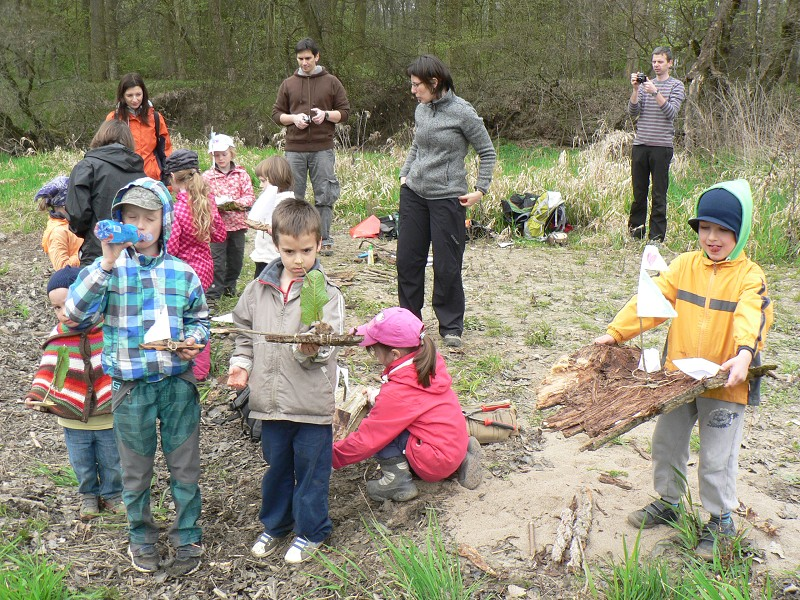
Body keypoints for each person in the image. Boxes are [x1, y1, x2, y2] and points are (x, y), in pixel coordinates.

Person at [594, 179, 772, 560]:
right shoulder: (684, 266)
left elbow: (751, 317)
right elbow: (650, 301)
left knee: (716, 457)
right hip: (678, 378)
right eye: (705, 228)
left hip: (726, 382)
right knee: (666, 442)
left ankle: (721, 519)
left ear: (740, 232)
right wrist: (614, 334)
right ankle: (670, 501)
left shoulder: (749, 275)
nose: (713, 237)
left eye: (724, 229)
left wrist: (743, 355)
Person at [65, 177, 209, 576]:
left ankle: (187, 534)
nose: (141, 226)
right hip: (131, 390)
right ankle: (141, 536)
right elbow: (75, 316)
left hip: (177, 385)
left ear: (165, 220)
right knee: (136, 471)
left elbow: (200, 319)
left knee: (185, 467)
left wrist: (193, 340)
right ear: (118, 220)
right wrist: (107, 261)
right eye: (131, 217)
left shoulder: (182, 273)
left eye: (150, 217)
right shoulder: (106, 271)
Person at [226, 198, 344, 565]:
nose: (298, 260)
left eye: (306, 251)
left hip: (310, 404)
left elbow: (329, 345)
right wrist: (242, 365)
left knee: (311, 471)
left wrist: (311, 347)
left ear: (319, 245)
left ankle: (312, 530)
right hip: (270, 403)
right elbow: (245, 332)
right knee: (277, 466)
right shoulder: (257, 289)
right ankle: (276, 525)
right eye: (290, 251)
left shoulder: (325, 292)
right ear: (276, 245)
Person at [332, 307, 482, 501]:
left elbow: (367, 440)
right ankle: (460, 457)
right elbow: (413, 403)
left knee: (379, 429)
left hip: (434, 462)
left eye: (375, 350)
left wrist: (330, 457)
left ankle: (397, 481)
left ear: (394, 354)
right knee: (402, 421)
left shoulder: (398, 393)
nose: (374, 356)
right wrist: (378, 397)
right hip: (452, 440)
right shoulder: (427, 363)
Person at [398, 55, 496, 349]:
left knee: (447, 265)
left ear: (434, 82)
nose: (413, 91)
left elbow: (487, 152)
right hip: (414, 195)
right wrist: (405, 174)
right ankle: (409, 322)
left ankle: (451, 325)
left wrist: (481, 189)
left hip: (447, 199)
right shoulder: (421, 110)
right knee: (407, 262)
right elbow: (417, 144)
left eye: (417, 85)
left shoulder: (463, 113)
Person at [25, 266, 122, 522]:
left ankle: (113, 494)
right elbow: (48, 371)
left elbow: (119, 368)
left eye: (69, 304)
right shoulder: (58, 338)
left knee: (113, 459)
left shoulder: (109, 331)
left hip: (108, 415)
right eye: (56, 308)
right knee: (82, 461)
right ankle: (88, 495)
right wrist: (37, 394)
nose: (63, 313)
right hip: (71, 416)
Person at [272, 37, 350, 256]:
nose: (304, 63)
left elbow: (344, 112)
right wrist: (293, 119)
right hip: (294, 148)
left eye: (308, 58)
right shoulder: (288, 83)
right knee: (292, 197)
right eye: (300, 59)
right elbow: (276, 114)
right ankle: (294, 238)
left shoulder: (331, 82)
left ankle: (324, 238)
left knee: (324, 194)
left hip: (322, 147)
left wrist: (325, 115)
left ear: (317, 57)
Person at [165, 149, 227, 381]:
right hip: (205, 271)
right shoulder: (206, 201)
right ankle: (202, 370)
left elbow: (171, 248)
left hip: (183, 274)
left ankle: (188, 366)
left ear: (173, 179)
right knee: (201, 317)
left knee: (183, 319)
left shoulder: (177, 209)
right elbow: (220, 235)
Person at [66, 120, 147, 266]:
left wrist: (92, 234)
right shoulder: (141, 173)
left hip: (98, 250)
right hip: (134, 251)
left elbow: (77, 214)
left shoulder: (86, 167)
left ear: (100, 136)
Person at [627, 47, 685, 243]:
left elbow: (671, 113)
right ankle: (636, 233)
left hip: (661, 147)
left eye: (660, 62)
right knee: (639, 192)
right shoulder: (644, 86)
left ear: (670, 63)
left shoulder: (676, 86)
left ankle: (656, 237)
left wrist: (656, 92)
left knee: (659, 194)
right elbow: (633, 111)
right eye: (654, 62)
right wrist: (636, 90)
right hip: (641, 145)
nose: (656, 65)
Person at [202, 133, 255, 300]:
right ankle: (213, 293)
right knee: (217, 260)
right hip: (217, 226)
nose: (220, 158)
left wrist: (237, 203)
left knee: (236, 259)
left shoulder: (241, 174)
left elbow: (249, 196)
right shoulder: (207, 176)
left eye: (223, 154)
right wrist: (214, 204)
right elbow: (203, 199)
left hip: (238, 225)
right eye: (216, 155)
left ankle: (229, 287)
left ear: (231, 153)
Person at [107, 73, 173, 182]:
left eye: (138, 94)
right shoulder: (113, 118)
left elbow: (165, 151)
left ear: (144, 94)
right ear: (122, 96)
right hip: (123, 180)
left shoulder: (155, 117)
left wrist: (168, 180)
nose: (135, 99)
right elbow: (106, 152)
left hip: (153, 180)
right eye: (129, 95)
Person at [248, 156, 295, 278]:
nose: (260, 185)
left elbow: (287, 229)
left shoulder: (286, 202)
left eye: (263, 181)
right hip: (263, 254)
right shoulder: (268, 199)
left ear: (275, 180)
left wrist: (271, 229)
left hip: (275, 257)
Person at [36, 175, 81, 269]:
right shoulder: (58, 232)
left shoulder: (71, 223)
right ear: (64, 205)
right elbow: (61, 267)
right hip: (75, 281)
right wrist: (84, 254)